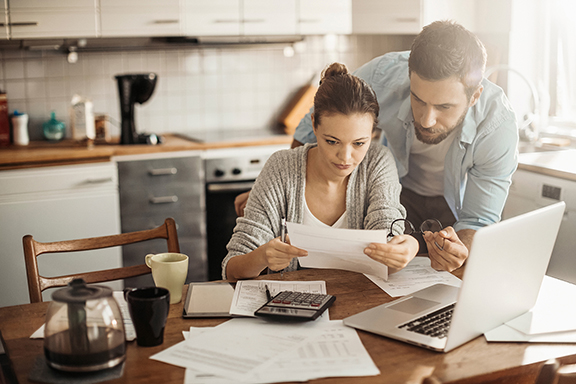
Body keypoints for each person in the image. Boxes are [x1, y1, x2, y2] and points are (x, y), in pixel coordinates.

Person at [235, 20, 518, 273]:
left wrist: (461, 250)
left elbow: (478, 219)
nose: (427, 119)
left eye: (444, 106)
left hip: (452, 210)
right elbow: (315, 124)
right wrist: (277, 186)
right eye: (418, 99)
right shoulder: (383, 75)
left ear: (474, 96)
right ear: (409, 78)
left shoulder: (498, 126)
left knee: (444, 279)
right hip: (395, 192)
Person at [223, 63, 419, 280]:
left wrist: (406, 247)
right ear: (314, 124)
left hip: (358, 302)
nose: (345, 157)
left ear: (372, 132)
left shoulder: (377, 162)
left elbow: (387, 239)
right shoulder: (281, 168)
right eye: (332, 141)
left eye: (359, 143)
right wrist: (261, 257)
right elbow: (232, 270)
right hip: (292, 306)